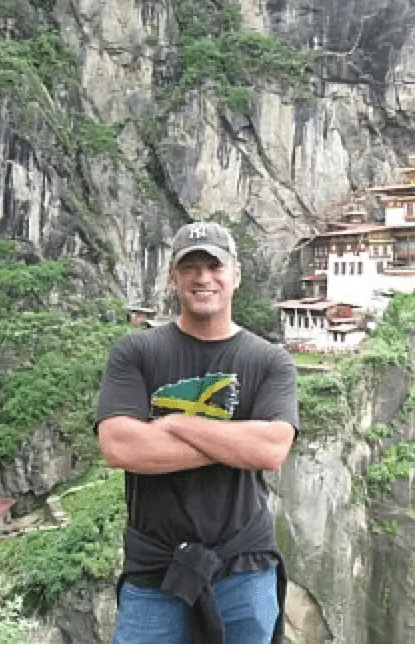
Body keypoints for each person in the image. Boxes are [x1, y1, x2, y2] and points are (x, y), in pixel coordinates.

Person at [94, 220, 299, 644]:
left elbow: (272, 449)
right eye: (190, 267)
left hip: (245, 565)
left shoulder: (269, 360)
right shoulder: (137, 351)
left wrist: (177, 424)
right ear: (173, 277)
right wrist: (235, 441)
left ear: (235, 275)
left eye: (214, 266)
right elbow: (120, 446)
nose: (203, 278)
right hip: (155, 568)